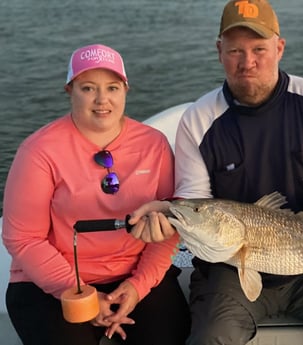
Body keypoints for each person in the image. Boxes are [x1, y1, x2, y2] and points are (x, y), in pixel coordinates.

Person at [129, 1, 303, 344]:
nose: (248, 62)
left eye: (259, 48)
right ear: (219, 52)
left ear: (280, 47)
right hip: (229, 269)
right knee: (211, 338)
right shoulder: (198, 120)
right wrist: (169, 216)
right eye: (235, 51)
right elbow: (194, 198)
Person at [2, 43, 190, 345]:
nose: (103, 100)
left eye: (113, 88)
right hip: (52, 282)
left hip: (132, 275)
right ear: (70, 90)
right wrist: (79, 295)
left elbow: (168, 224)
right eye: (88, 88)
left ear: (126, 90)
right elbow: (22, 237)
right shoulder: (39, 151)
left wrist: (138, 286)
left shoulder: (153, 145)